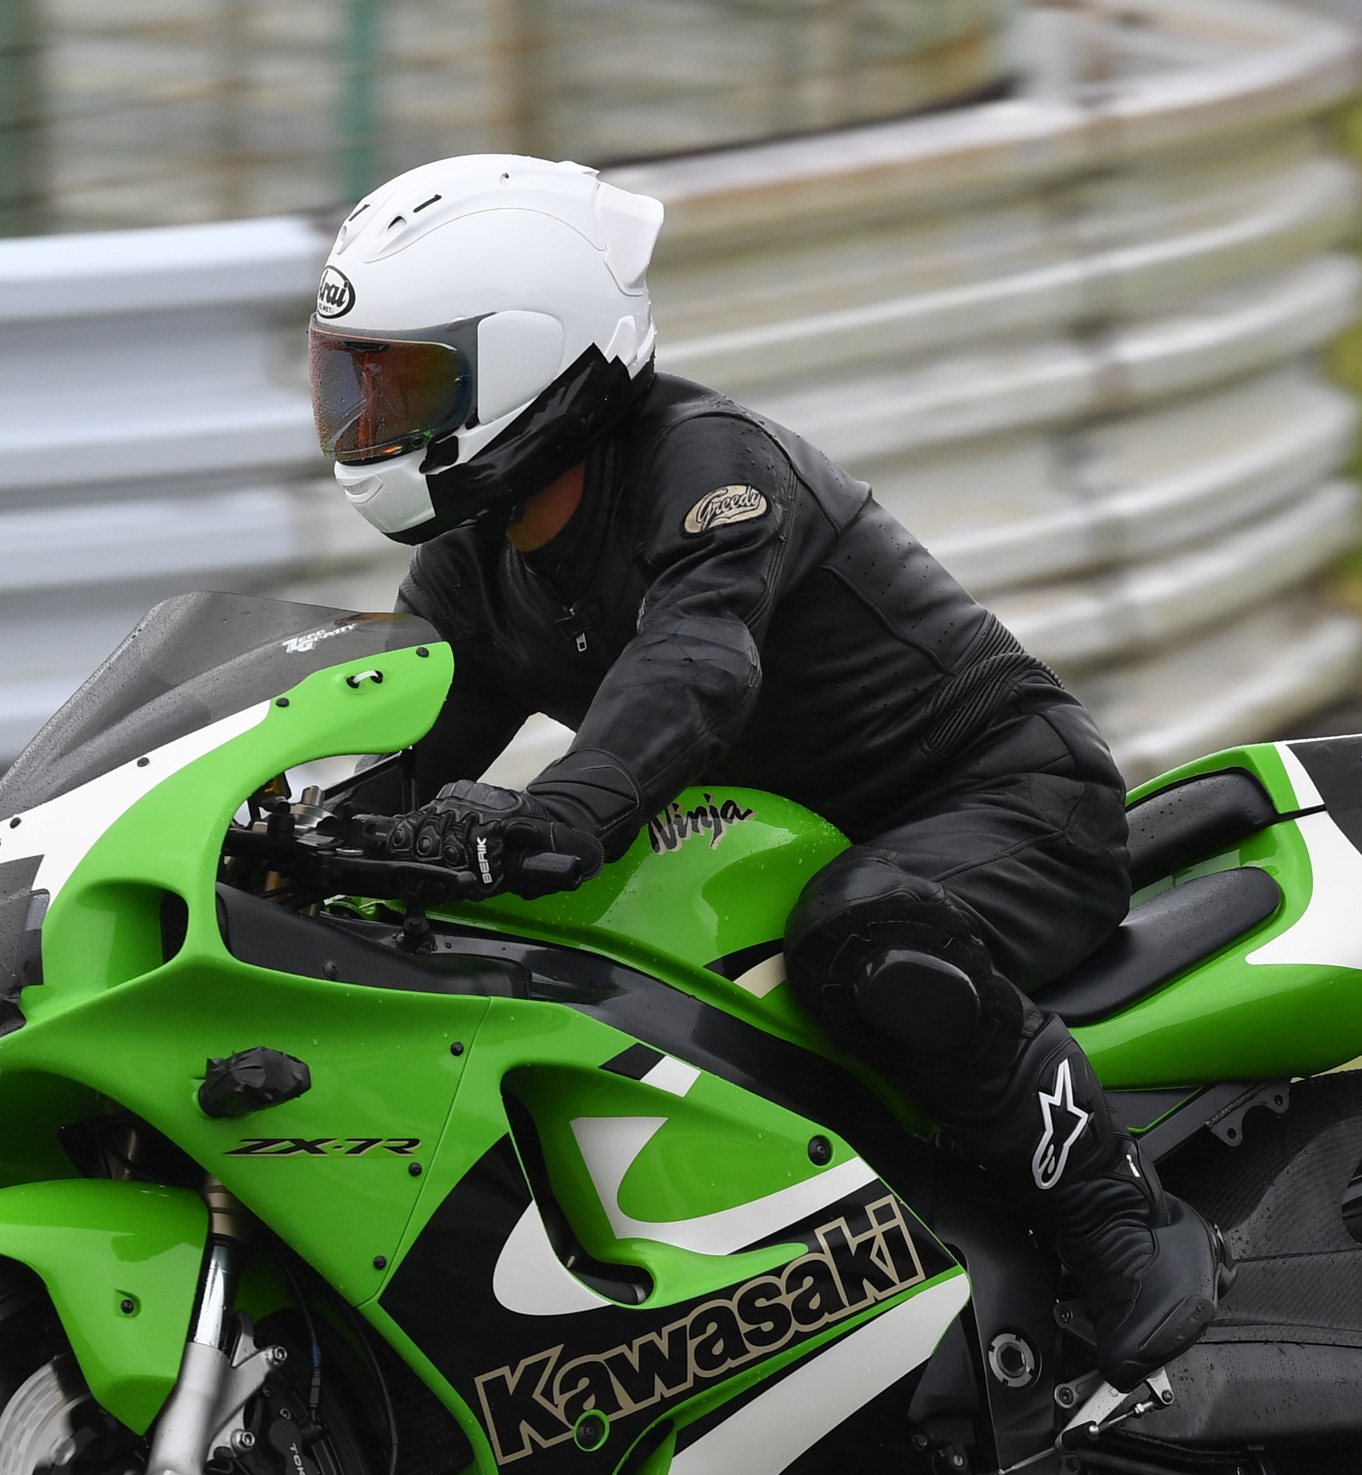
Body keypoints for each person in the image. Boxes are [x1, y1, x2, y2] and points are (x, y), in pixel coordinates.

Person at [309, 154, 1216, 1393]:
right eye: (355, 383)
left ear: (529, 359)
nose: (370, 421)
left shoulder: (708, 467)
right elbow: (415, 743)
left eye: (408, 384)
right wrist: (291, 835)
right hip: (796, 850)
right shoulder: (478, 559)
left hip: (1007, 802)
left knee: (866, 934)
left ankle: (1123, 1220)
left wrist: (559, 809)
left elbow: (695, 665)